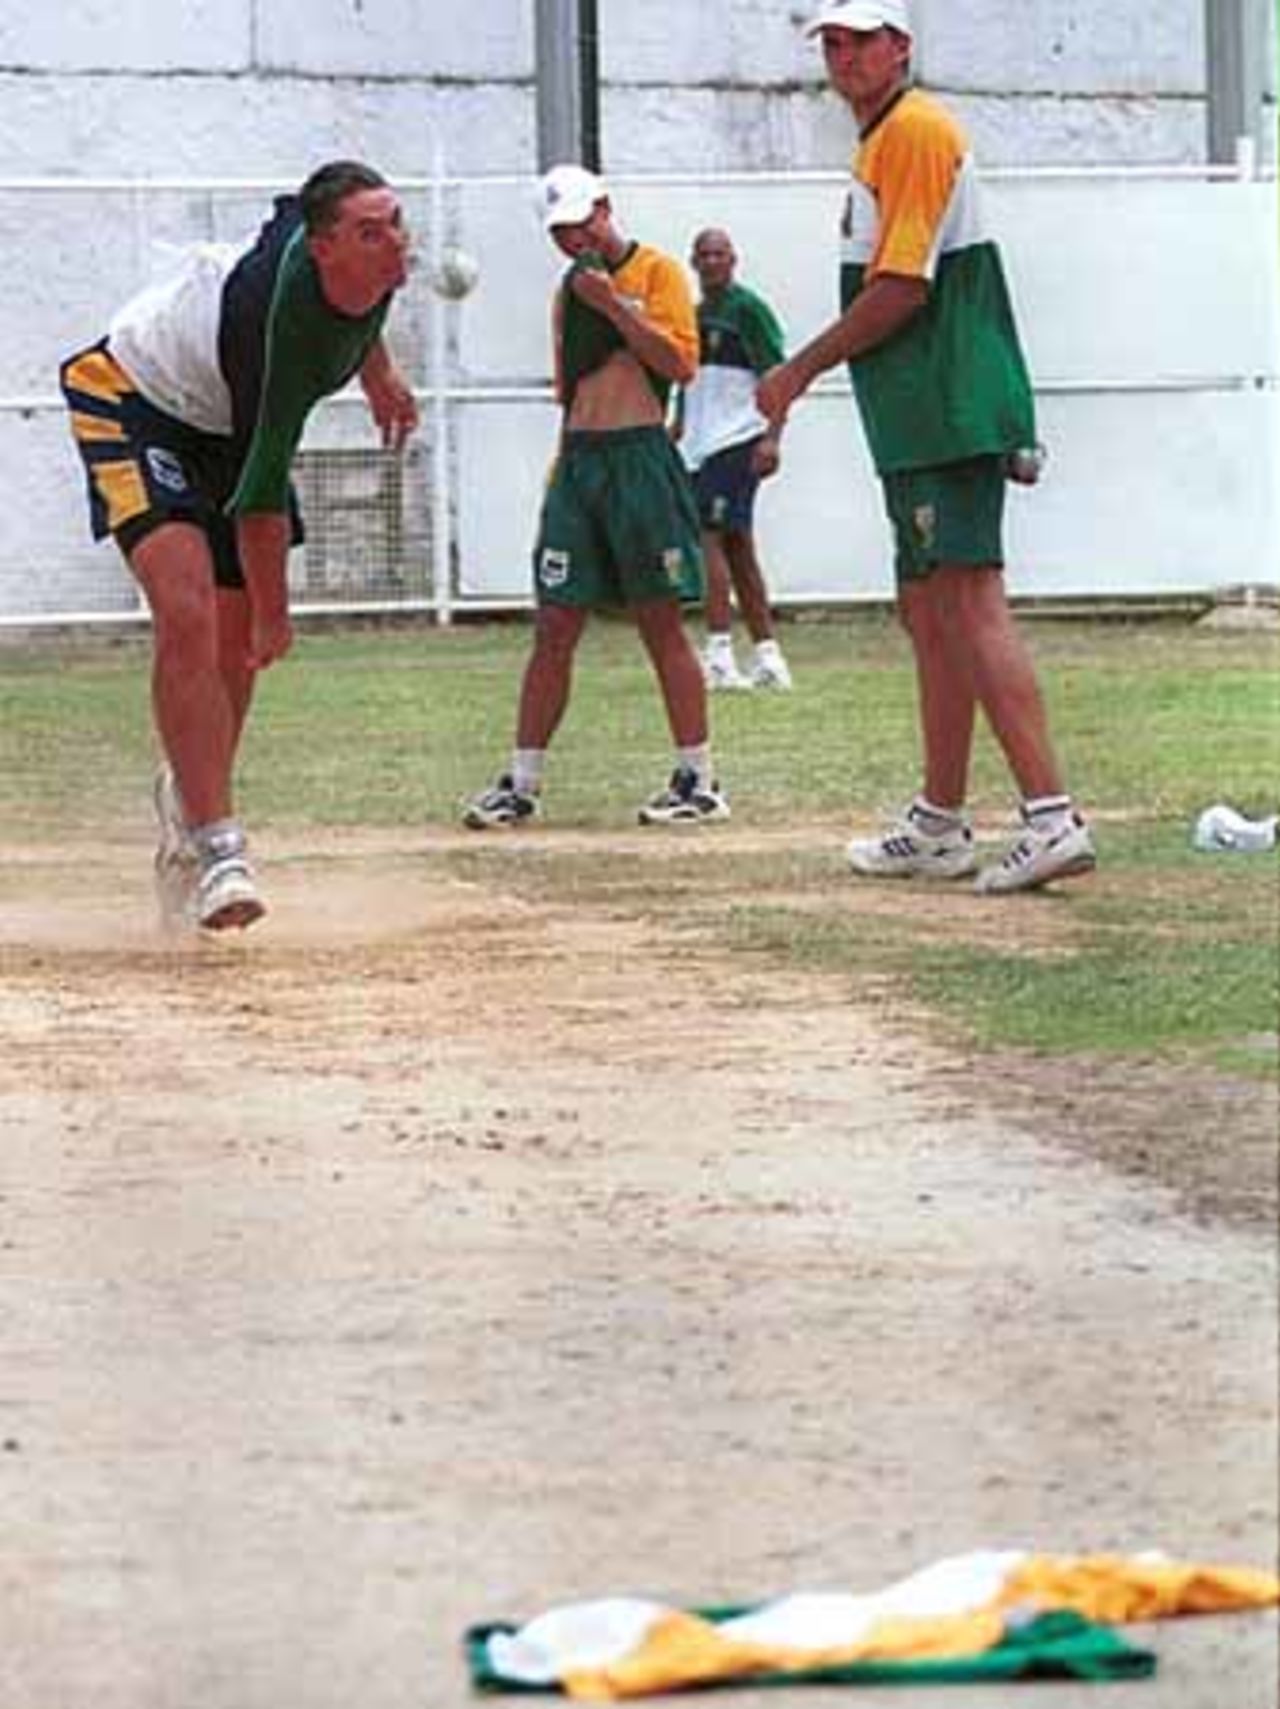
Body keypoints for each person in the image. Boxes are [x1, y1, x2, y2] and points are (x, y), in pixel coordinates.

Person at [757, 0, 1096, 895]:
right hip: (918, 412)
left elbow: (901, 287)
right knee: (928, 607)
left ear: (900, 47)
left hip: (947, 404)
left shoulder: (913, 132)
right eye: (831, 41)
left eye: (861, 39)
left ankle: (1052, 816)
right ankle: (941, 822)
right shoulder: (886, 141)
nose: (843, 55)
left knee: (970, 598)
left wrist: (793, 373)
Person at [60, 160, 417, 931]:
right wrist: (276, 619)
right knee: (194, 615)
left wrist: (379, 376)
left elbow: (335, 257)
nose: (394, 244)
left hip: (227, 419)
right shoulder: (275, 325)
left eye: (396, 222)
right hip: (135, 398)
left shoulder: (366, 264)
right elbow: (259, 502)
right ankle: (219, 848)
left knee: (233, 651)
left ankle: (186, 794)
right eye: (370, 232)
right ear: (324, 250)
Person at [464, 164, 729, 830]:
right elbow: (570, 389)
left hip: (641, 459)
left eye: (582, 221)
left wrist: (614, 305)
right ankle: (521, 782)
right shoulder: (567, 292)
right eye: (560, 230)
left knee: (659, 620)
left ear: (606, 208)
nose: (573, 237)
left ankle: (698, 777)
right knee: (554, 623)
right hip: (581, 464)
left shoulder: (658, 273)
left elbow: (679, 363)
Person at [676, 227, 792, 692]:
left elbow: (777, 377)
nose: (711, 262)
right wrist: (678, 422)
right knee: (739, 546)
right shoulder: (694, 315)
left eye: (719, 253)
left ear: (734, 259)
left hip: (738, 439)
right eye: (703, 254)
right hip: (701, 444)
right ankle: (769, 658)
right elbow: (688, 379)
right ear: (693, 261)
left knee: (708, 536)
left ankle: (720, 653)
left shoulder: (749, 310)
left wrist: (772, 438)